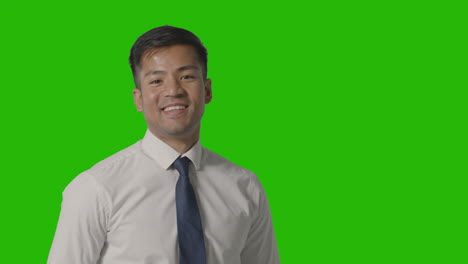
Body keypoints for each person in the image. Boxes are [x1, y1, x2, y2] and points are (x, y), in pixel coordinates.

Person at [47, 25, 280, 264]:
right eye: (156, 80)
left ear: (207, 90)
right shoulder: (96, 188)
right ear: (138, 99)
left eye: (186, 77)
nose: (173, 91)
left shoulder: (245, 187)